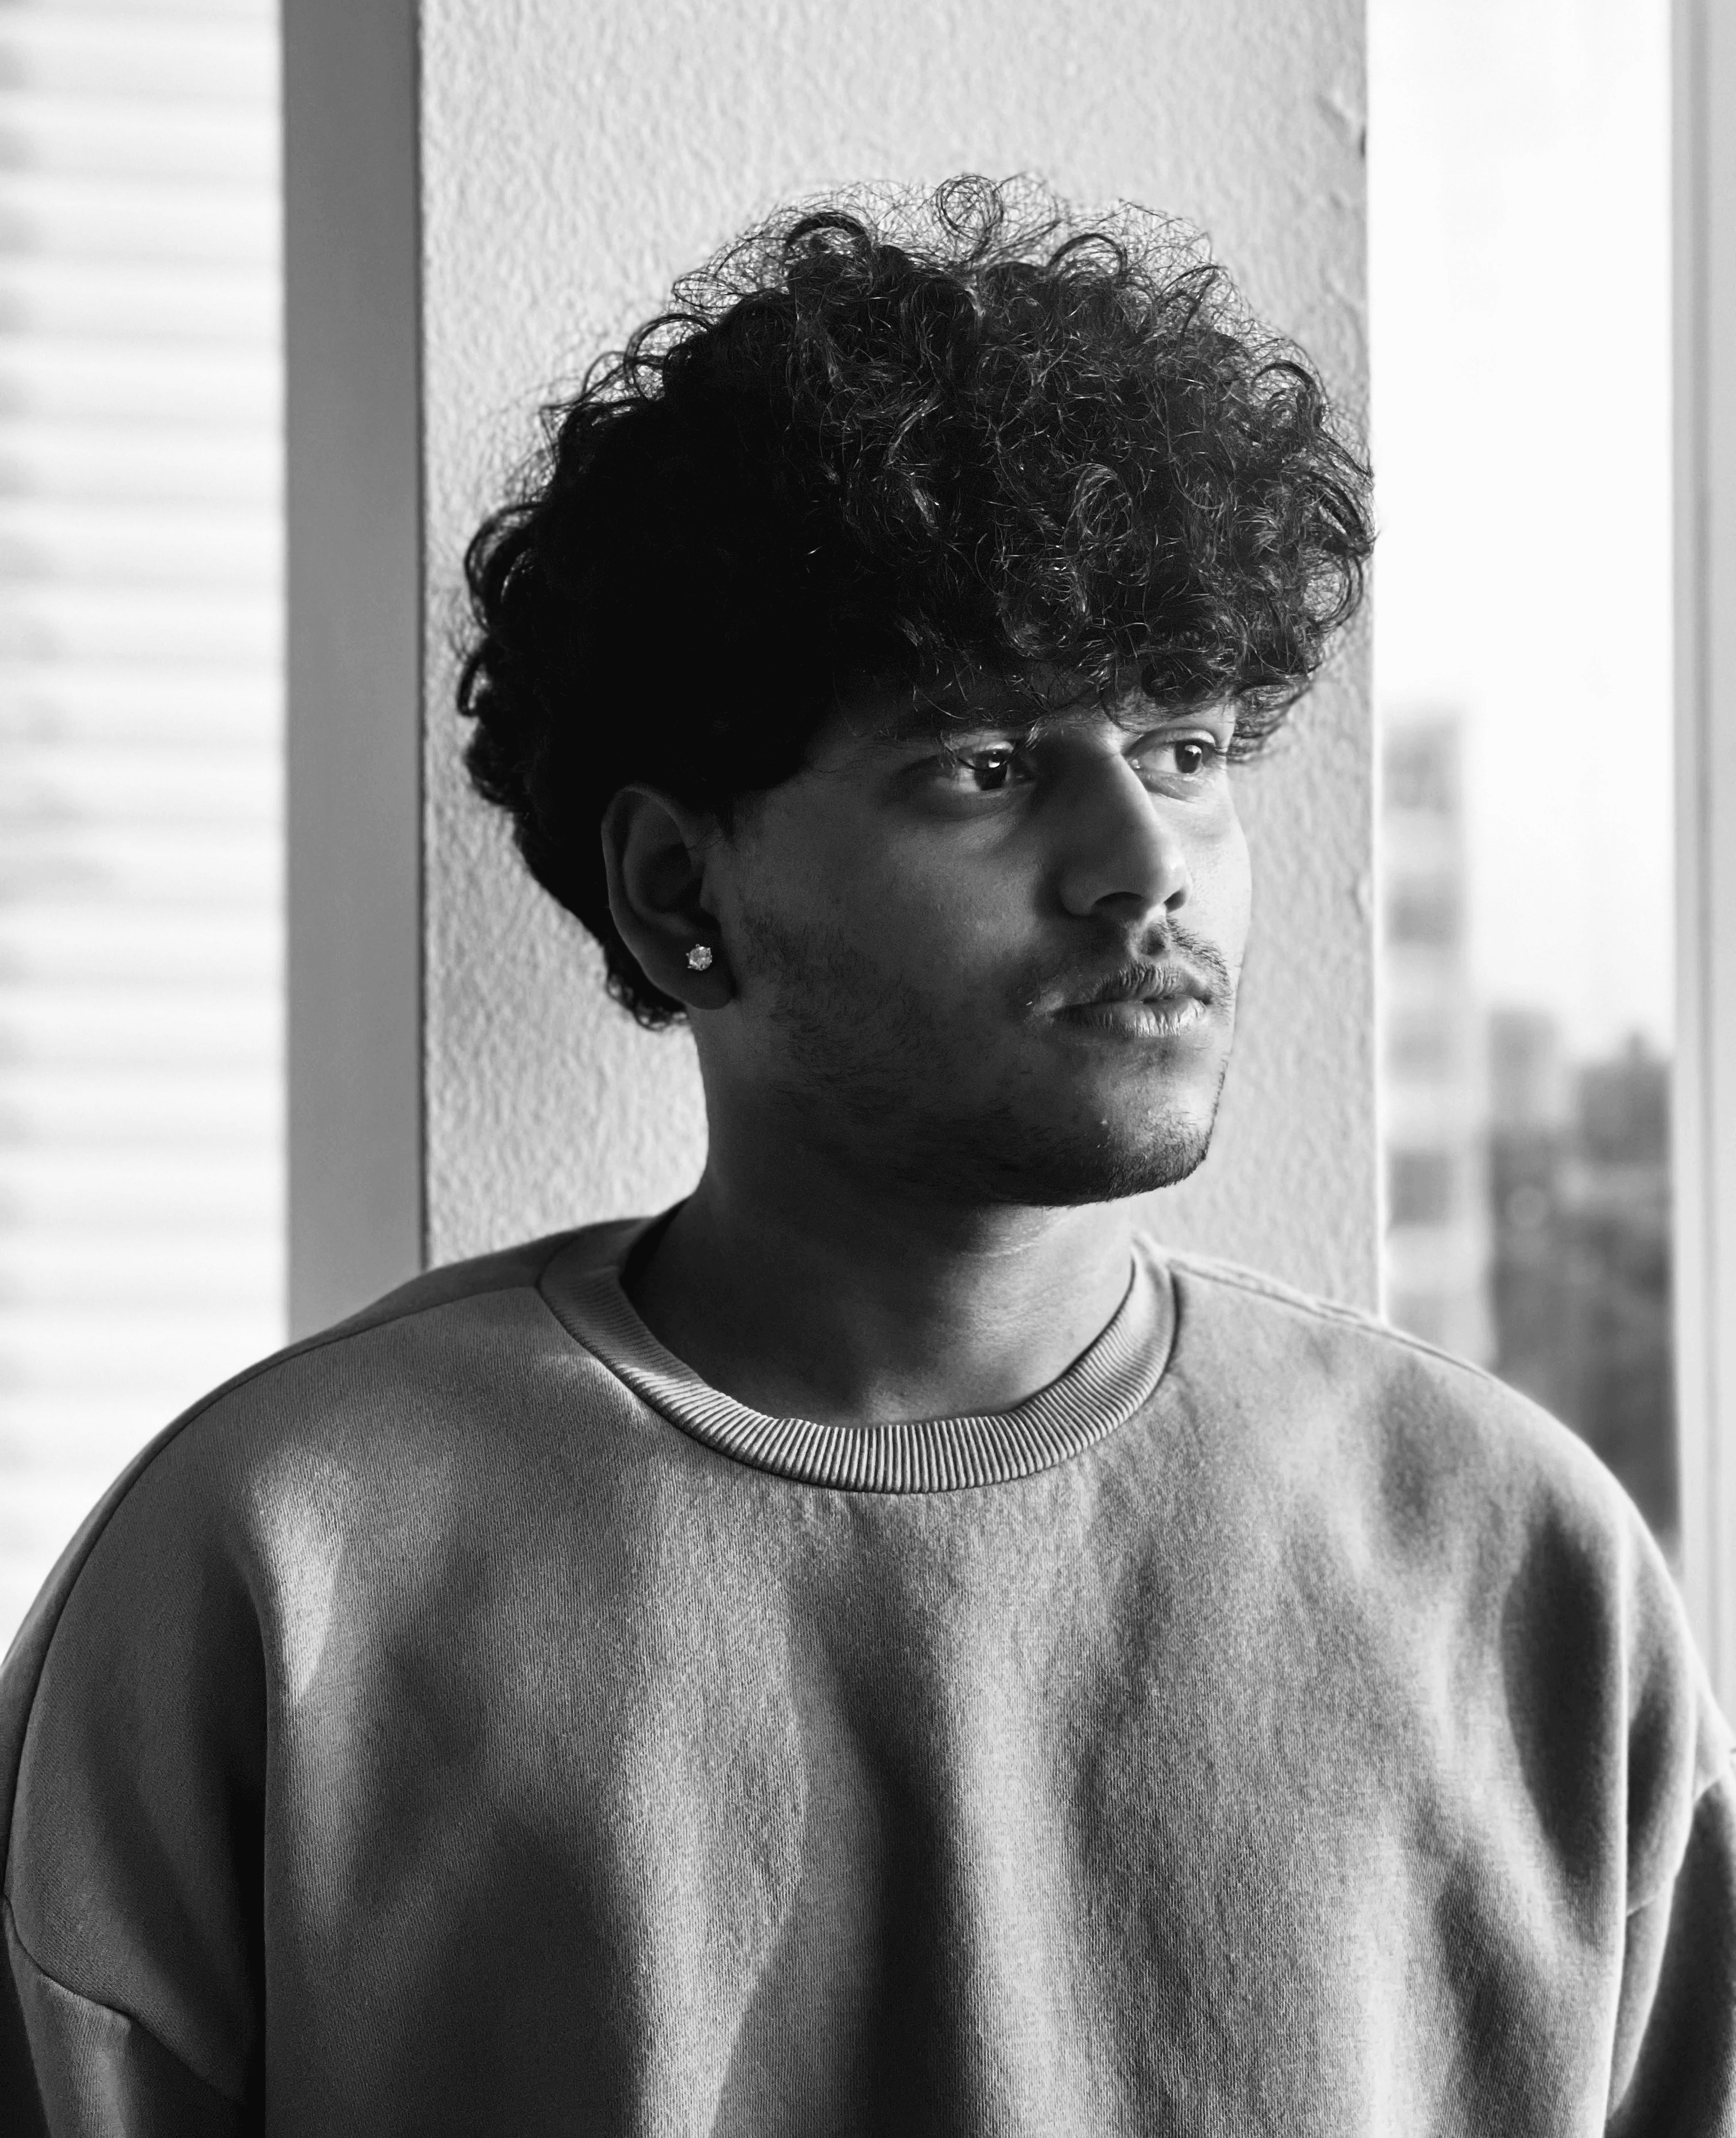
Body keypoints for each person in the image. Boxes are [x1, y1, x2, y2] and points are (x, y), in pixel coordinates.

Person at [0, 175, 1728, 2135]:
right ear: (677, 890)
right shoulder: (283, 1560)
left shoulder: (1515, 1564)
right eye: (985, 769)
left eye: (1186, 748)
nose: (1144, 862)